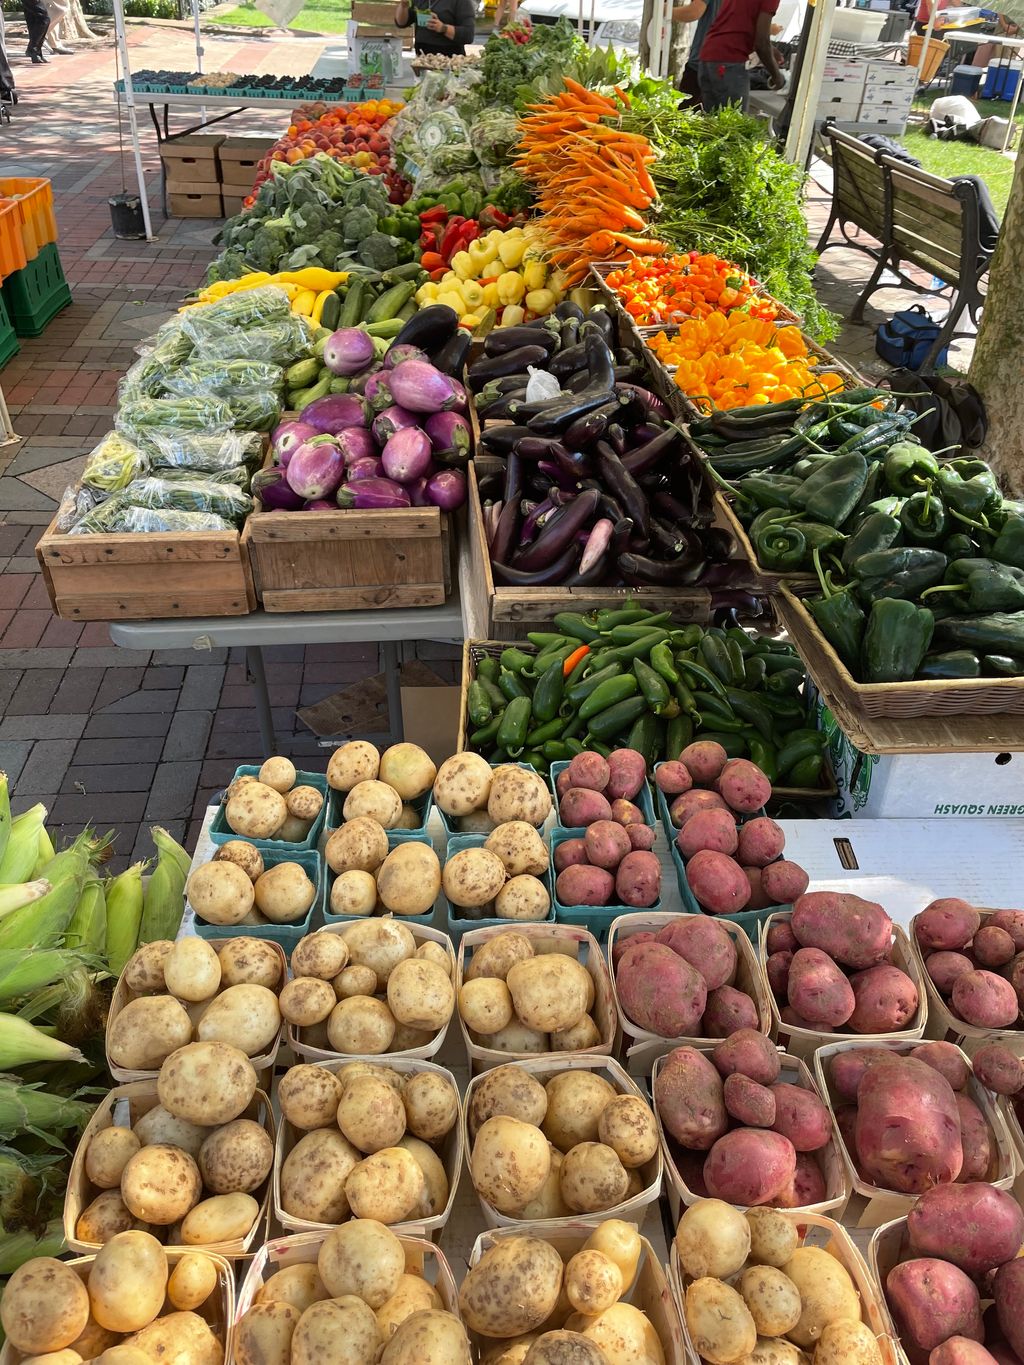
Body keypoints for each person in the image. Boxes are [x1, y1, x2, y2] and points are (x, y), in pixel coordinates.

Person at [697, 0, 783, 111]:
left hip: (708, 56)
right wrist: (777, 77)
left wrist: (771, 50)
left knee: (714, 123)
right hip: (729, 61)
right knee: (736, 124)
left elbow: (736, 25)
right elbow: (761, 43)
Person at [673, 0, 722, 104]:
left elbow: (693, 12)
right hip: (727, 64)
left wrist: (663, 10)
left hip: (702, 64)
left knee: (686, 115)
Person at [394, 0, 475, 55]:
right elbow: (401, 23)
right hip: (422, 60)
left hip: (450, 61)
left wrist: (443, 28)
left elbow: (468, 35)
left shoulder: (461, 2)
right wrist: (403, 6)